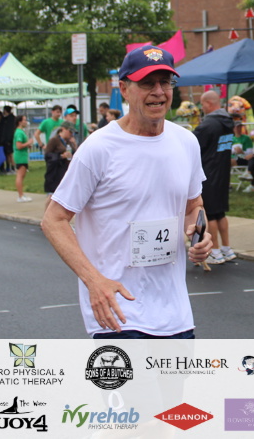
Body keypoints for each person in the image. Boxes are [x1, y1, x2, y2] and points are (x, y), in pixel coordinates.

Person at [41, 44, 213, 338]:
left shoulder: (186, 142)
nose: (158, 92)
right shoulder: (99, 148)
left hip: (175, 315)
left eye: (165, 82)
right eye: (147, 83)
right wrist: (93, 281)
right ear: (124, 88)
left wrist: (200, 235)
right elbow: (53, 220)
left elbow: (193, 204)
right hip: (118, 311)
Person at [194, 90, 236, 266]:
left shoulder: (208, 125)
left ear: (209, 103)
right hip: (223, 172)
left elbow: (193, 146)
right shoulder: (228, 122)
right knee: (220, 213)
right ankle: (227, 249)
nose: (202, 107)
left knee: (210, 214)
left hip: (208, 173)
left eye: (202, 104)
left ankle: (215, 252)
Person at [43, 120, 75, 205]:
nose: (71, 134)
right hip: (55, 173)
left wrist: (74, 145)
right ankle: (47, 213)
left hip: (64, 171)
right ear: (63, 129)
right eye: (70, 131)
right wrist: (60, 156)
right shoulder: (54, 140)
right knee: (51, 196)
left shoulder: (68, 142)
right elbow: (47, 155)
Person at [14, 114, 34, 202]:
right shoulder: (19, 132)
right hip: (20, 156)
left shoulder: (21, 132)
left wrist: (27, 145)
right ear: (20, 122)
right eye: (24, 120)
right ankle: (20, 195)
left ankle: (21, 194)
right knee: (20, 175)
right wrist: (28, 143)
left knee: (22, 175)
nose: (26, 122)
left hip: (23, 155)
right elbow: (18, 145)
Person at [0, 106, 16, 173]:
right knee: (7, 154)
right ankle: (8, 166)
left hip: (9, 139)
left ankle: (13, 167)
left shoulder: (10, 119)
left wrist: (8, 139)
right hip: (7, 139)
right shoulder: (7, 119)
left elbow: (9, 130)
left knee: (10, 154)